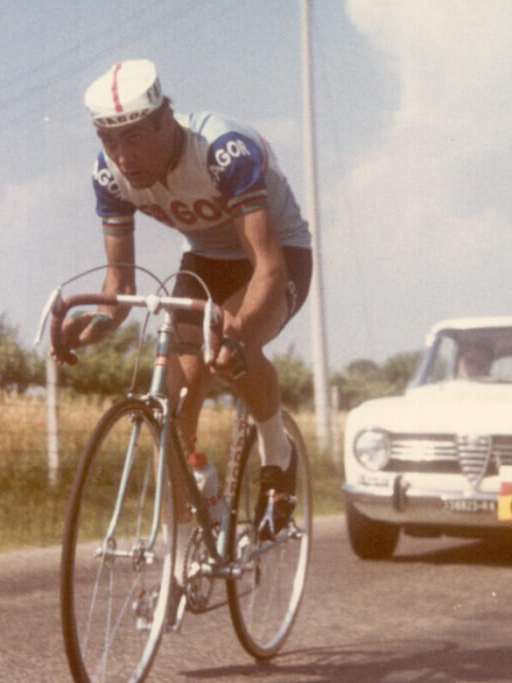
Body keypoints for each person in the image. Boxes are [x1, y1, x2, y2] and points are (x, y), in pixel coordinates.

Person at [53, 60, 313, 547]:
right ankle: (189, 527)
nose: (122, 156)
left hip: (278, 256)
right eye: (109, 142)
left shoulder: (221, 150)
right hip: (206, 260)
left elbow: (269, 267)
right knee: (171, 402)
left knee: (229, 346)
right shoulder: (109, 176)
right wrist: (93, 324)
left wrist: (236, 333)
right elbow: (118, 288)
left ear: (164, 121)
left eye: (133, 138)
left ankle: (277, 459)